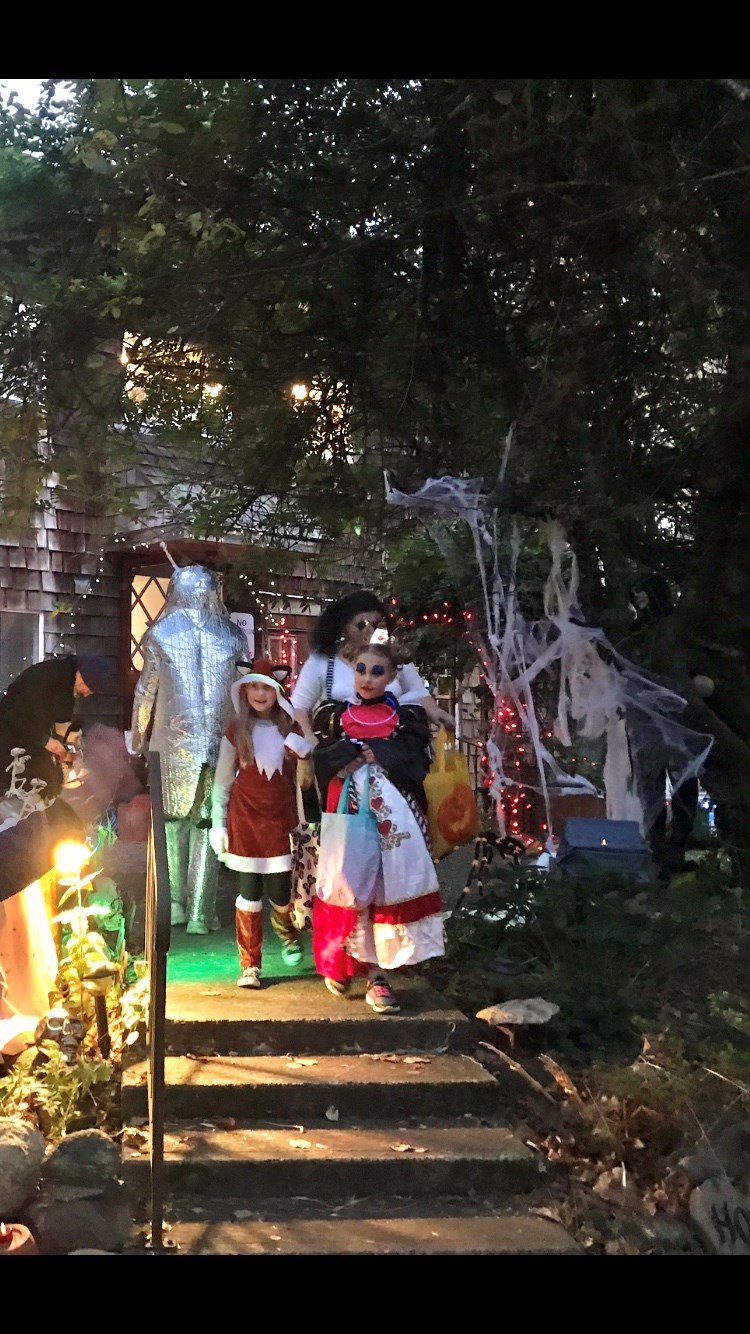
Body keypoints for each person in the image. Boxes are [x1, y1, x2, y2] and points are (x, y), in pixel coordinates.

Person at [311, 641, 445, 1014]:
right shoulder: (333, 716)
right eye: (361, 670)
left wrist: (381, 754)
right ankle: (342, 961)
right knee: (348, 887)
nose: (367, 679)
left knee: (387, 890)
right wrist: (342, 759)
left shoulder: (405, 719)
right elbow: (320, 761)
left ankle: (377, 976)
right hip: (349, 814)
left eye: (377, 671)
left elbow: (417, 764)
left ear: (391, 676)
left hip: (396, 823)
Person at [130, 565, 247, 934]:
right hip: (218, 742)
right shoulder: (230, 635)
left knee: (171, 826)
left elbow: (145, 691)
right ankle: (200, 911)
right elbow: (242, 692)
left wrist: (136, 737)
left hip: (171, 744)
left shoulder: (161, 632)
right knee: (208, 823)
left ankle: (175, 904)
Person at [209, 659, 312, 989]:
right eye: (253, 686)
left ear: (277, 692)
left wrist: (305, 755)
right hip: (245, 822)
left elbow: (305, 780)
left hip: (281, 823)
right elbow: (223, 782)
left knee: (282, 894)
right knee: (249, 893)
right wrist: (218, 824)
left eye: (266, 686)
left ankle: (288, 936)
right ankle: (249, 964)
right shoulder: (235, 732)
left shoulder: (290, 732)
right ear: (244, 691)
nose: (259, 692)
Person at [291, 589, 455, 752]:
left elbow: (418, 692)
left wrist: (435, 711)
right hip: (342, 756)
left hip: (390, 754)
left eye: (375, 624)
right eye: (361, 625)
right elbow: (299, 707)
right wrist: (309, 738)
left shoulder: (393, 657)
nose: (368, 631)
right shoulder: (321, 662)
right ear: (344, 627)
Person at [0, 653, 113, 807]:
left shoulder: (65, 680)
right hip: (9, 741)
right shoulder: (51, 677)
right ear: (82, 676)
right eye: (89, 689)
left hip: (24, 742)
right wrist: (46, 741)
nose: (87, 695)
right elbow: (18, 715)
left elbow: (54, 719)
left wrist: (68, 741)